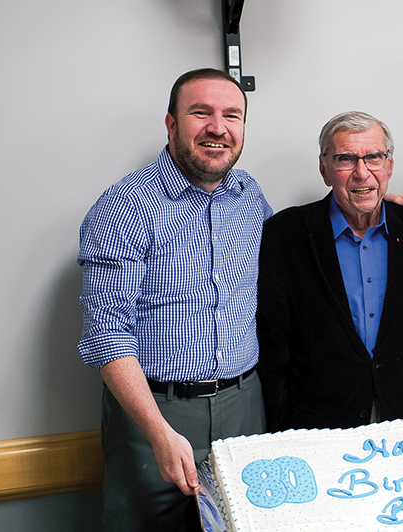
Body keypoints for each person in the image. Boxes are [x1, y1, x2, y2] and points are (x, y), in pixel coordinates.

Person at [78, 68, 271, 531]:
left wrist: (377, 207)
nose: (218, 128)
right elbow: (106, 334)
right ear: (171, 124)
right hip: (154, 415)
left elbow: (301, 259)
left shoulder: (250, 198)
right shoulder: (124, 206)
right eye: (200, 113)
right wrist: (160, 433)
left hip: (244, 405)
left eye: (232, 115)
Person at [257, 111, 403, 432]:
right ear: (324, 169)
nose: (362, 173)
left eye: (374, 157)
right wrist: (283, 427)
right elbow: (273, 349)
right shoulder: (285, 235)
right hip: (318, 428)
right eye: (345, 159)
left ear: (389, 166)